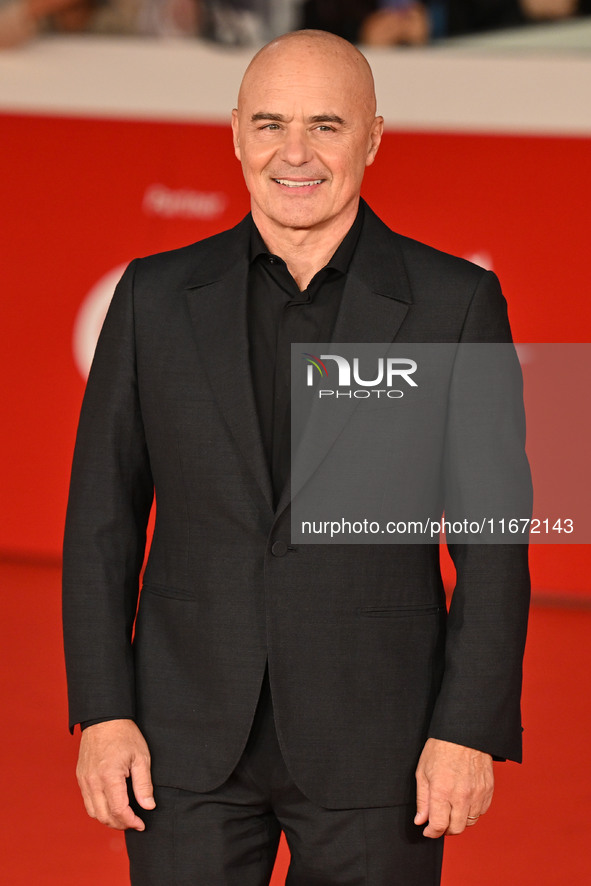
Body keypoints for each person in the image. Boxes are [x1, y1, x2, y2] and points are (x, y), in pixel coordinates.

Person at [63, 29, 531, 885]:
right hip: (182, 739)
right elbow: (102, 521)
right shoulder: (153, 296)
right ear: (235, 131)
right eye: (270, 123)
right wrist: (102, 711)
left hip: (381, 744)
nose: (294, 154)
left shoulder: (454, 304)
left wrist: (466, 727)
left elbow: (494, 540)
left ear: (374, 136)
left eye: (325, 125)